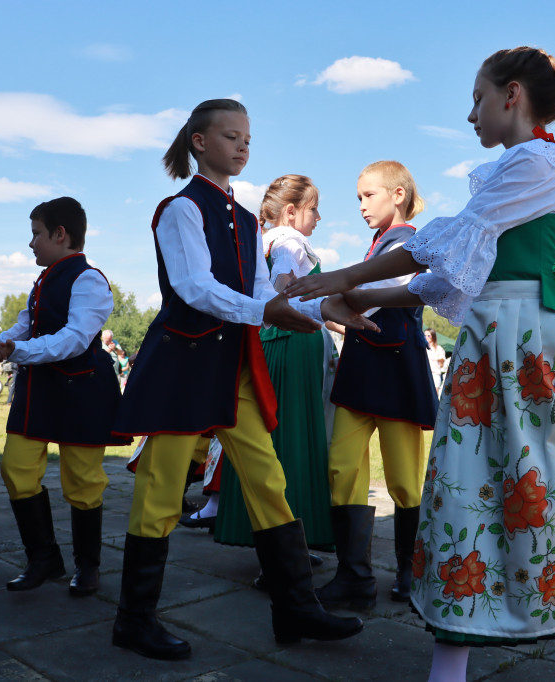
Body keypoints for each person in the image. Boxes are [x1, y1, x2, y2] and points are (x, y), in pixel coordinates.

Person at [286, 47, 555, 682]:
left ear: (512, 94)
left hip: (524, 348)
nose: (470, 114)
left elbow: (442, 244)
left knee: (535, 494)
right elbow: (454, 274)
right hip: (499, 341)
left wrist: (347, 275)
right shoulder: (525, 170)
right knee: (493, 492)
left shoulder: (540, 164)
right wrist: (361, 294)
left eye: (477, 98)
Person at [109, 99, 368, 660]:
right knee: (161, 489)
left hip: (232, 369)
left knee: (268, 480)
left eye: (247, 137)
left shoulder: (247, 219)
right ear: (199, 142)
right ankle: (133, 620)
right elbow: (193, 287)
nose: (243, 146)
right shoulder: (181, 209)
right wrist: (265, 313)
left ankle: (294, 607)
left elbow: (257, 291)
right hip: (183, 364)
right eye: (231, 136)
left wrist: (324, 311)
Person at [0, 197, 128, 597]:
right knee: (15, 469)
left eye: (36, 234)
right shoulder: (43, 279)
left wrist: (17, 352)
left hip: (81, 388)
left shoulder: (90, 280)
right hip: (40, 389)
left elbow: (75, 339)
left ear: (60, 234)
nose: (31, 243)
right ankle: (44, 559)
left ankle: (88, 567)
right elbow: (24, 327)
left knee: (83, 480)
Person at [316, 160, 439, 612]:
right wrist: (336, 298)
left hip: (394, 369)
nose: (361, 206)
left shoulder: (412, 242)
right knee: (342, 467)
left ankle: (412, 570)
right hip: (363, 367)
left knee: (405, 479)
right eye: (358, 198)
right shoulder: (378, 245)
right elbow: (342, 297)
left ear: (398, 195)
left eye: (368, 195)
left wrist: (339, 293)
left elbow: (390, 288)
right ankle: (354, 575)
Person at [214, 174, 336, 565]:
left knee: (270, 443)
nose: (318, 217)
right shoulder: (288, 240)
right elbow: (284, 278)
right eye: (313, 208)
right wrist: (287, 291)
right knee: (293, 442)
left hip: (270, 345)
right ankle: (290, 548)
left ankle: (272, 542)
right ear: (290, 211)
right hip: (292, 346)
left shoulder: (259, 240)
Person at [425, 329, 447, 394]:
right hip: (423, 374)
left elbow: (441, 364)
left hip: (434, 375)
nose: (426, 337)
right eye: (424, 335)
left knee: (433, 395)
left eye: (428, 336)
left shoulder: (439, 349)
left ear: (433, 336)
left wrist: (435, 359)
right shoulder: (422, 348)